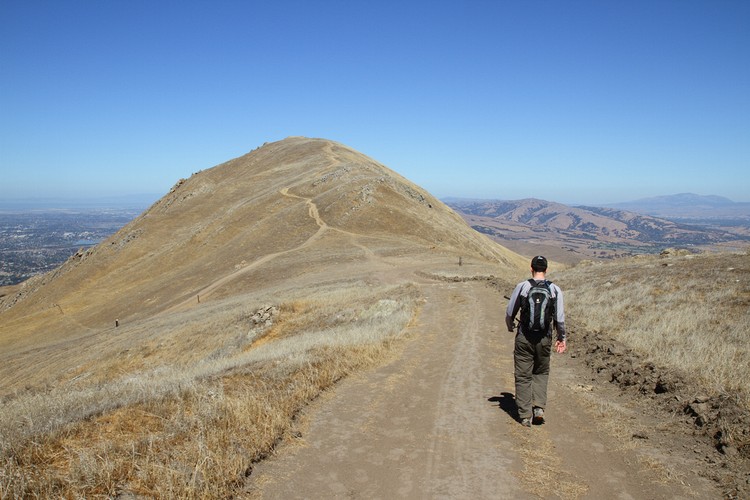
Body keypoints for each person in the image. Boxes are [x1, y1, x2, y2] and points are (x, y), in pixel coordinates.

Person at [505, 255, 566, 427]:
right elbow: (560, 319)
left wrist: (510, 327)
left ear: (531, 268)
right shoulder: (555, 290)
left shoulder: (523, 287)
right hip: (545, 338)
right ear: (546, 270)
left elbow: (510, 312)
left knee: (523, 376)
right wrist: (561, 338)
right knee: (541, 372)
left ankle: (525, 416)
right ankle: (538, 408)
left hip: (524, 336)